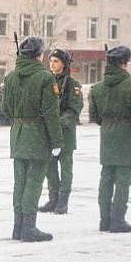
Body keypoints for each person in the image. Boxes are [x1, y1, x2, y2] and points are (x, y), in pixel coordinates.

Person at [1, 36, 62, 242]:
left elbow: (5, 108)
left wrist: (20, 121)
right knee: (34, 182)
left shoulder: (10, 77)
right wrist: (56, 142)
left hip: (18, 133)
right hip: (37, 134)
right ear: (39, 54)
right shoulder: (45, 77)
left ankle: (18, 226)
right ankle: (29, 227)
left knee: (20, 182)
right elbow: (51, 113)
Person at [88, 46, 131, 233]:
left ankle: (104, 219)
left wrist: (109, 124)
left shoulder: (97, 88)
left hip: (107, 136)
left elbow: (95, 117)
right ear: (125, 62)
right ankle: (118, 219)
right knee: (123, 181)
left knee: (106, 178)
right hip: (128, 137)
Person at [40, 49, 83, 215]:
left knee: (65, 169)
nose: (52, 64)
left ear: (64, 64)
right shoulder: (45, 81)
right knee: (50, 168)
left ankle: (63, 201)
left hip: (65, 134)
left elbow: (74, 109)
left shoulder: (73, 85)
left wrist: (58, 123)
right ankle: (53, 198)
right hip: (48, 133)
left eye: (56, 61)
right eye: (51, 61)